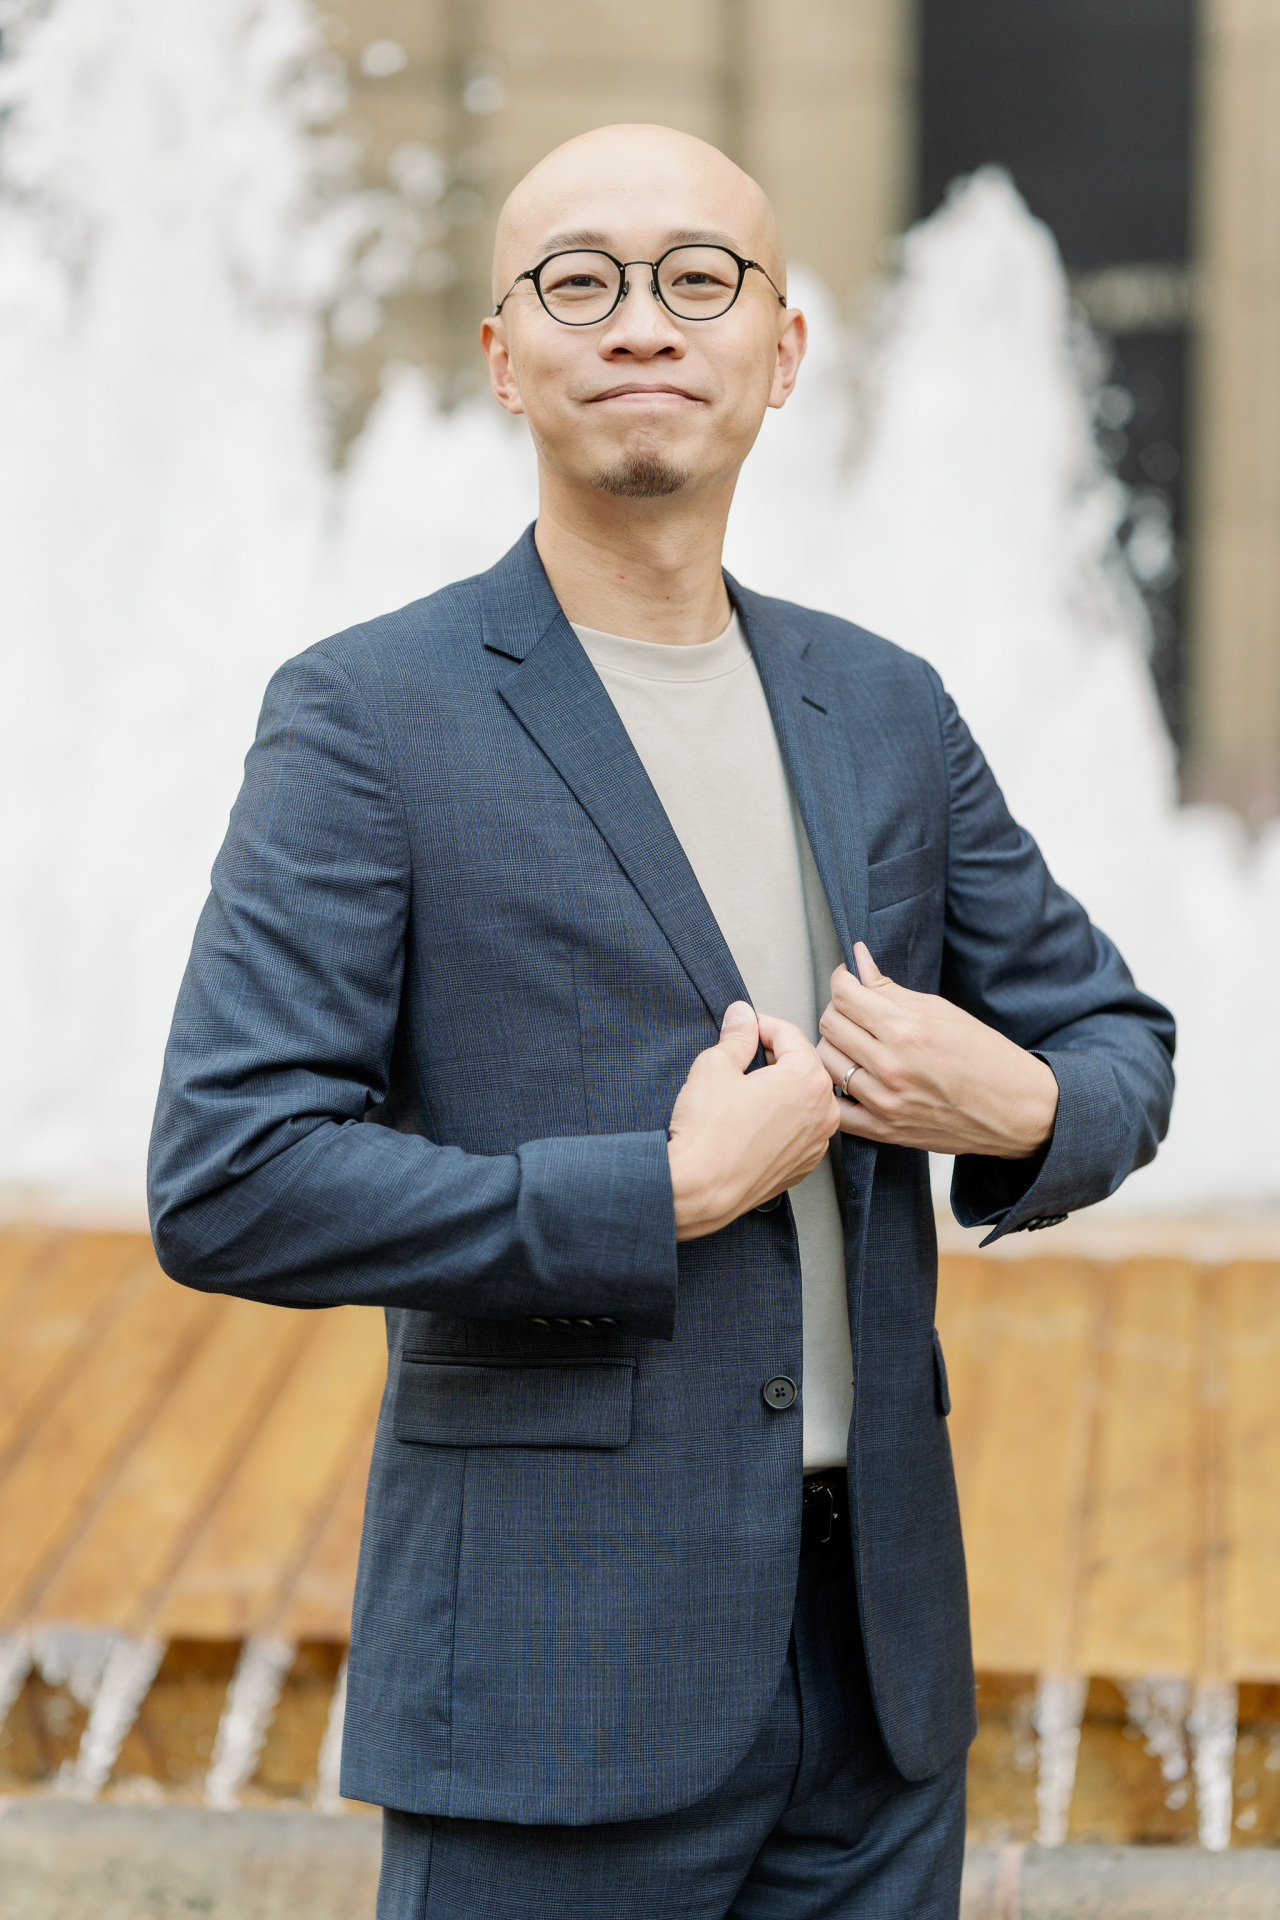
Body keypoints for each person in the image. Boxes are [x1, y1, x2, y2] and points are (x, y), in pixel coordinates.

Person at [149, 124, 1174, 1919]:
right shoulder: (369, 716)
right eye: (582, 282)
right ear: (503, 356)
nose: (644, 321)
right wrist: (658, 1194)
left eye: (702, 279)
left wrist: (1016, 1106)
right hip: (556, 1678)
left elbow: (1117, 1040)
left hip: (876, 1683)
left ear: (782, 351)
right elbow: (230, 1175)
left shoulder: (885, 705)